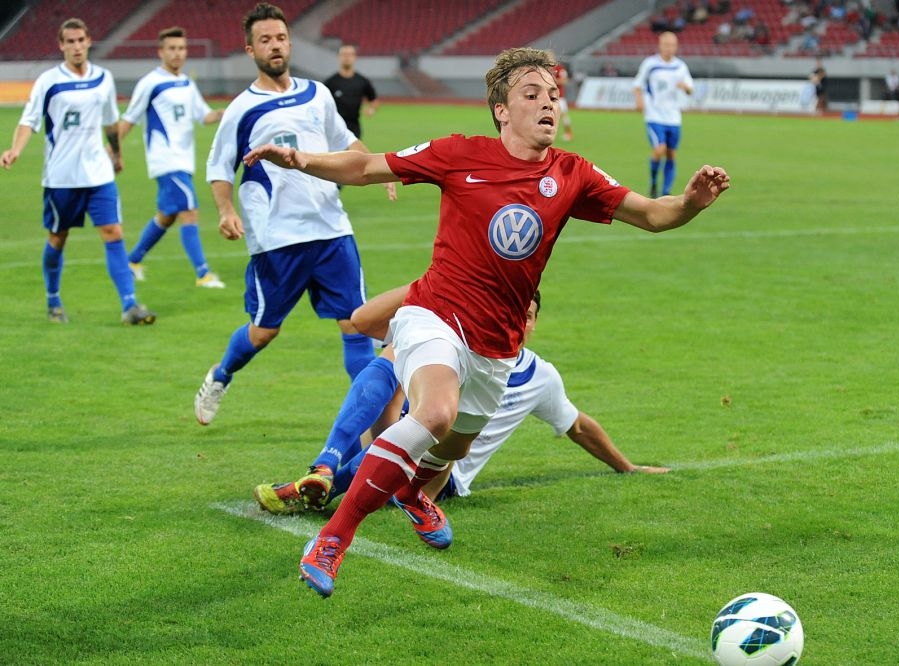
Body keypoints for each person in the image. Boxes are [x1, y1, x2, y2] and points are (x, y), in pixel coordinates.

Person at [244, 46, 729, 598]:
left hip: (497, 346)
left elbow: (653, 214)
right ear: (501, 109)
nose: (547, 104)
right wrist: (300, 159)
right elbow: (366, 166)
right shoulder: (459, 153)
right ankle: (332, 540)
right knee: (435, 413)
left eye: (552, 95)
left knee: (451, 450)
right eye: (532, 94)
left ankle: (412, 494)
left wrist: (691, 202)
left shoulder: (572, 173)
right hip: (435, 313)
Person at [252, 287, 671, 516]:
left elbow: (578, 426)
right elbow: (363, 320)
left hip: (437, 475)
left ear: (534, 324)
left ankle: (322, 486)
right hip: (397, 434)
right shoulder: (453, 346)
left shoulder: (540, 377)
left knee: (442, 428)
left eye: (526, 316)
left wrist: (628, 467)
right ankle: (325, 469)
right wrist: (432, 282)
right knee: (393, 356)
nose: (517, 321)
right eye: (510, 311)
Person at [194, 3, 395, 426]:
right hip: (277, 238)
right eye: (265, 40)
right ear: (250, 50)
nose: (275, 46)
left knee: (355, 324)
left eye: (281, 38)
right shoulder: (242, 109)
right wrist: (225, 210)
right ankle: (221, 374)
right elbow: (218, 167)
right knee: (264, 331)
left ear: (290, 43)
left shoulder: (317, 94)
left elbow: (345, 141)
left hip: (331, 228)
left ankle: (372, 426)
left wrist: (380, 169)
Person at [0, 18, 156, 325]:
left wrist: (116, 153)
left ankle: (130, 305)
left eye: (80, 40)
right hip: (62, 177)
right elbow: (29, 120)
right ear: (61, 45)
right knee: (58, 238)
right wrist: (15, 149)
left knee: (113, 232)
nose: (76, 46)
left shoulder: (103, 78)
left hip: (98, 174)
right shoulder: (49, 81)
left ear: (88, 42)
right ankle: (53, 300)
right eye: (69, 41)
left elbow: (110, 121)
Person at [119, 26, 226, 289]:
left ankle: (132, 262)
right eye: (172, 48)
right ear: (161, 52)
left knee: (167, 215)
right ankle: (203, 274)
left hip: (184, 160)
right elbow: (129, 118)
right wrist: (112, 149)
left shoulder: (187, 83)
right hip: (166, 160)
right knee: (189, 211)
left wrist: (223, 113)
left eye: (181, 48)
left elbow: (203, 116)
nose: (177, 53)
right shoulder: (150, 83)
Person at [633, 31, 694, 197]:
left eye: (673, 45)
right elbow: (637, 84)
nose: (669, 48)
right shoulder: (650, 64)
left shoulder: (680, 66)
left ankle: (666, 191)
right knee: (659, 149)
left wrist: (686, 88)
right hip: (654, 116)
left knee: (671, 154)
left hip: (673, 117)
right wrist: (639, 100)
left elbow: (690, 88)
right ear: (660, 45)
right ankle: (653, 183)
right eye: (666, 44)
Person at [322, 44, 378, 139]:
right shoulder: (330, 82)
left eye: (350, 54)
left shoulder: (362, 81)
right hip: (334, 128)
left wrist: (371, 109)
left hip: (354, 128)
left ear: (355, 57)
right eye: (344, 54)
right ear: (339, 57)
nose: (347, 57)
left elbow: (373, 99)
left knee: (355, 149)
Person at [547, 52, 573, 142]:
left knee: (563, 115)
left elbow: (564, 81)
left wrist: (552, 81)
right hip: (546, 97)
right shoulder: (544, 69)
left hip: (558, 96)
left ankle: (569, 133)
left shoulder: (560, 69)